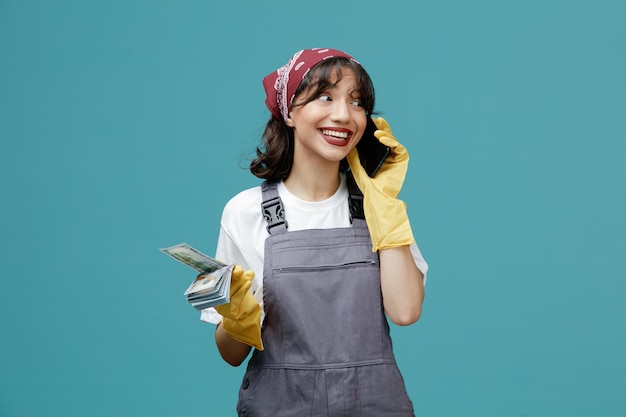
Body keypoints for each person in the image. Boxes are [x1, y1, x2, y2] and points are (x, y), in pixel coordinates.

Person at [201, 47, 428, 416]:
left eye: (357, 102)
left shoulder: (379, 206)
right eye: (325, 96)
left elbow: (405, 311)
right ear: (289, 111)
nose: (344, 114)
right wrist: (237, 320)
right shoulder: (244, 212)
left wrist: (384, 203)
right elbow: (230, 355)